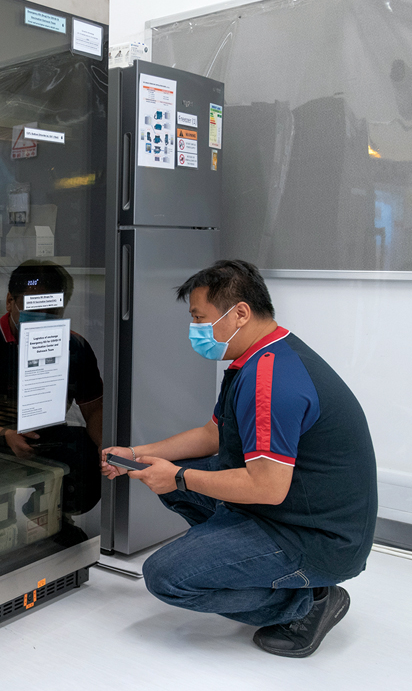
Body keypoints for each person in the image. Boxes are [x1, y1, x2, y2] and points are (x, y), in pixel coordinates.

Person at [102, 260, 377, 658]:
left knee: (165, 576)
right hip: (293, 509)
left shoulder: (272, 380)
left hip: (315, 537)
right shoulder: (261, 357)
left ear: (240, 313)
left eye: (200, 318)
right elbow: (212, 435)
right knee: (172, 481)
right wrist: (137, 455)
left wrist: (177, 476)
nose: (194, 329)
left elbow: (267, 486)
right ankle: (240, 557)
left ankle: (308, 602)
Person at [0, 260, 104, 517]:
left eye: (52, 311)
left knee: (87, 464)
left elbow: (94, 409)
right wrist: (2, 435)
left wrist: (104, 447)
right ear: (10, 301)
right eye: (33, 308)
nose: (42, 318)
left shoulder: (74, 347)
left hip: (43, 436)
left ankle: (51, 519)